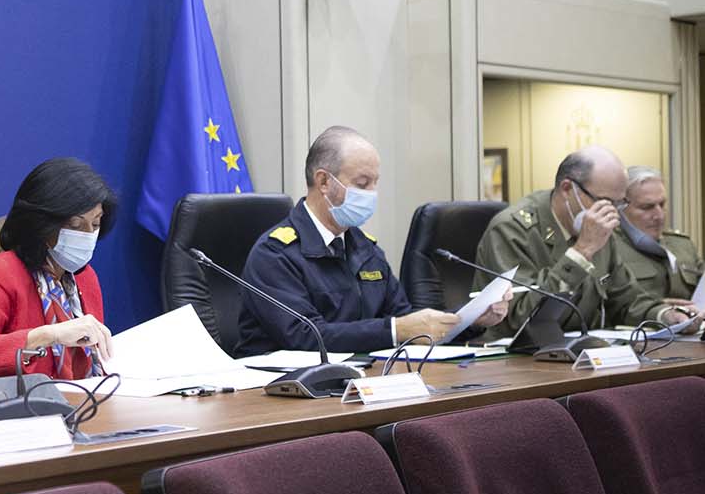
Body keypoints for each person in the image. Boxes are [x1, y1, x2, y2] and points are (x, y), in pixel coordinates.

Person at [237, 126, 508, 356]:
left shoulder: (365, 248)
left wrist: (468, 319)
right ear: (323, 181)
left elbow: (408, 321)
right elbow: (306, 337)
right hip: (282, 398)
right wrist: (394, 331)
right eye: (363, 183)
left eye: (375, 183)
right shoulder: (275, 254)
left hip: (362, 386)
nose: (372, 193)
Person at [474, 146, 693, 335]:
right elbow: (519, 319)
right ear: (568, 189)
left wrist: (667, 316)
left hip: (581, 355)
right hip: (515, 363)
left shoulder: (600, 229)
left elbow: (626, 301)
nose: (613, 213)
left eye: (619, 204)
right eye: (605, 201)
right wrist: (582, 251)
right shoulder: (513, 229)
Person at [0, 158, 116, 381]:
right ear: (42, 224)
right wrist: (48, 335)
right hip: (23, 410)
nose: (87, 234)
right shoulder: (2, 273)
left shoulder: (85, 278)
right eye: (75, 225)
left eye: (96, 224)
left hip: (83, 405)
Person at [615, 165, 701, 303]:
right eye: (647, 207)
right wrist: (659, 310)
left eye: (662, 205)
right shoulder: (608, 248)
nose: (659, 215)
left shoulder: (683, 245)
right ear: (620, 207)